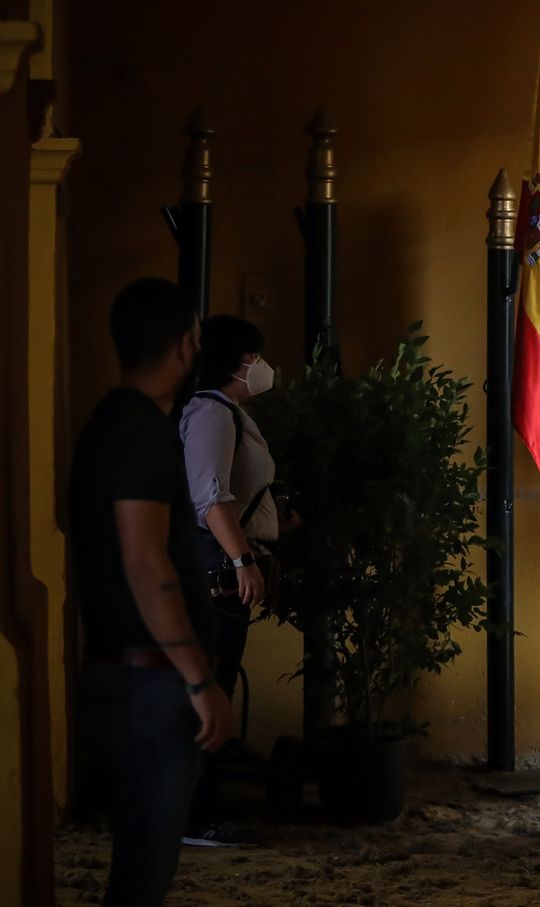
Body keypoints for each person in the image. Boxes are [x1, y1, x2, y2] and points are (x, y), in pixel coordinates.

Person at [69, 277, 233, 906]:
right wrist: (197, 679)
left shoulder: (106, 426)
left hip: (128, 676)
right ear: (186, 345)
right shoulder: (140, 433)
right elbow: (146, 561)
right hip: (153, 682)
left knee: (139, 867)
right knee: (143, 876)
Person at [177, 314, 287, 847]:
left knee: (219, 684)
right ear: (236, 362)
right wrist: (242, 561)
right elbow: (210, 497)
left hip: (229, 568)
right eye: (254, 357)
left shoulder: (230, 413)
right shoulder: (211, 412)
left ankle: (202, 809)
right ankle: (196, 816)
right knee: (210, 688)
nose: (261, 367)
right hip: (217, 573)